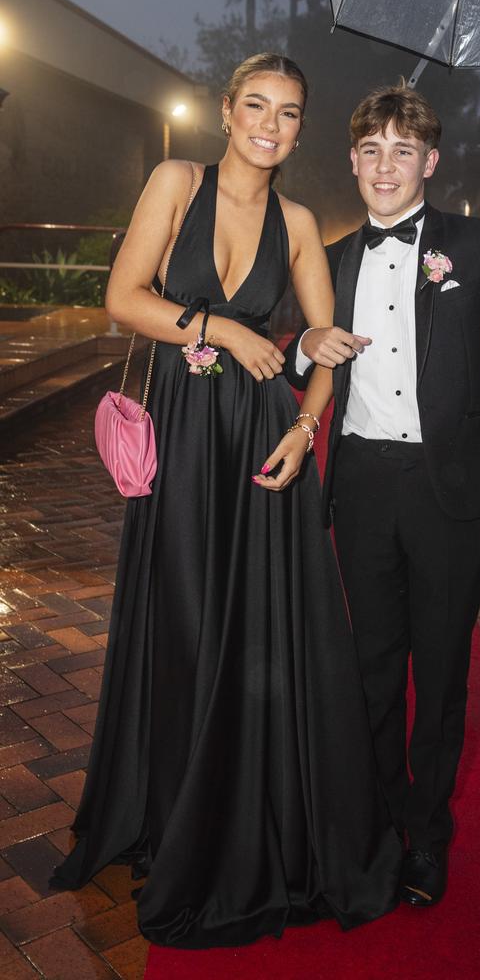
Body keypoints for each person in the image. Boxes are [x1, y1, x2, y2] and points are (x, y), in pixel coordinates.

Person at [51, 54, 402, 948]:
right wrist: (222, 325)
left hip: (259, 442)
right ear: (226, 111)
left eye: (288, 113)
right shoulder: (177, 181)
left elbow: (321, 348)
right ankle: (175, 813)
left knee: (252, 635)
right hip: (182, 432)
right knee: (184, 620)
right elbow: (123, 298)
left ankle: (250, 823)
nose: (270, 125)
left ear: (299, 128)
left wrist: (306, 430)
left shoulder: (298, 219)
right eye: (256, 106)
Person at [284, 82, 480, 910]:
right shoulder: (331, 258)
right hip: (364, 485)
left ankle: (428, 834)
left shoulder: (476, 242)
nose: (386, 167)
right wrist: (307, 339)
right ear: (352, 160)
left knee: (441, 669)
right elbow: (288, 352)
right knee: (373, 664)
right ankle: (377, 817)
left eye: (403, 151)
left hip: (453, 491)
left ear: (430, 161)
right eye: (372, 150)